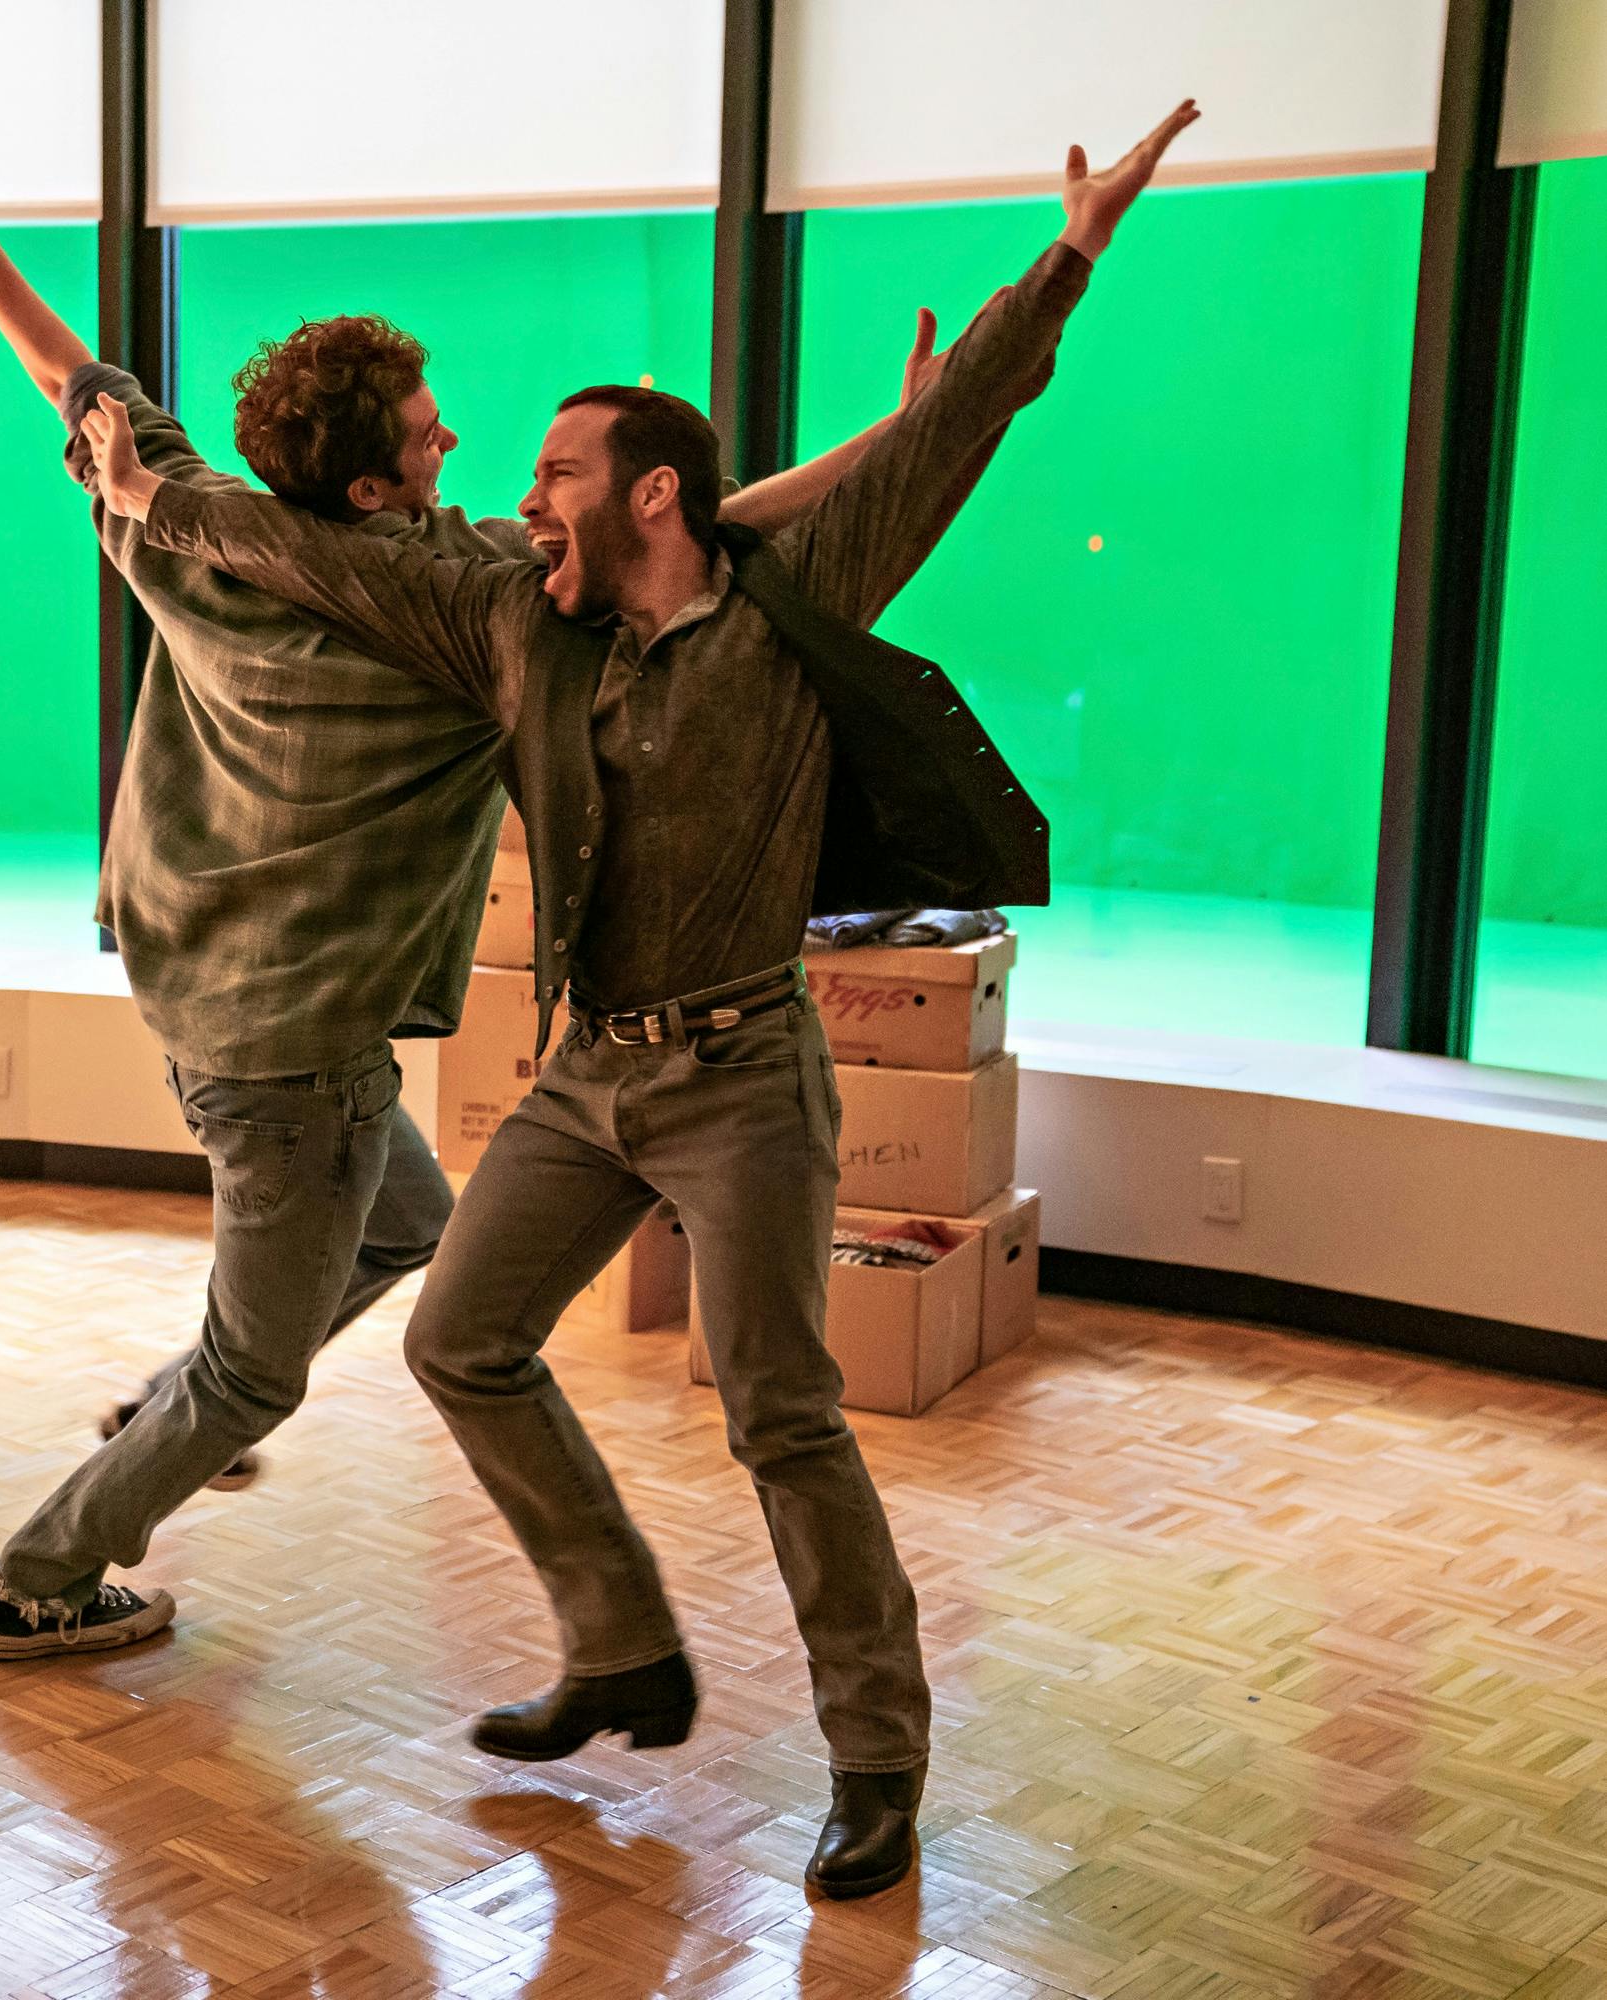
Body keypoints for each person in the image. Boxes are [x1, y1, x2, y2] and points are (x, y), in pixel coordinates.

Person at [80, 104, 1200, 1896]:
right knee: (459, 1340)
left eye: (555, 476)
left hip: (747, 1075)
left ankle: (877, 1760)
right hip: (583, 1077)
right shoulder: (519, 628)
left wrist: (1067, 255)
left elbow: (958, 432)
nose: (519, 500)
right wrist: (143, 483)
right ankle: (621, 1647)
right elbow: (322, 554)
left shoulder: (790, 600)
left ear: (650, 493)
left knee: (779, 1411)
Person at [0, 121, 943, 1663]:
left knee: (400, 1231)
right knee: (256, 1373)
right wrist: (888, 446)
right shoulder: (449, 610)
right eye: (430, 436)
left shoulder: (187, 541)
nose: (455, 446)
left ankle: (172, 1410)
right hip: (301, 1054)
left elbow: (73, 381)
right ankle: (41, 1575)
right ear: (372, 486)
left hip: (197, 1001)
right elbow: (694, 529)